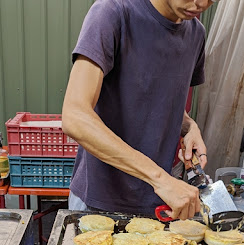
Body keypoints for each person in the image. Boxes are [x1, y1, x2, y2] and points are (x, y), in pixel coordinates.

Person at [62, 0, 217, 220]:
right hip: (99, 203)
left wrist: (190, 127)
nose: (201, 3)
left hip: (159, 203)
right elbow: (74, 116)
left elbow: (162, 100)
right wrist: (161, 180)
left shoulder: (196, 34)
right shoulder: (112, 13)